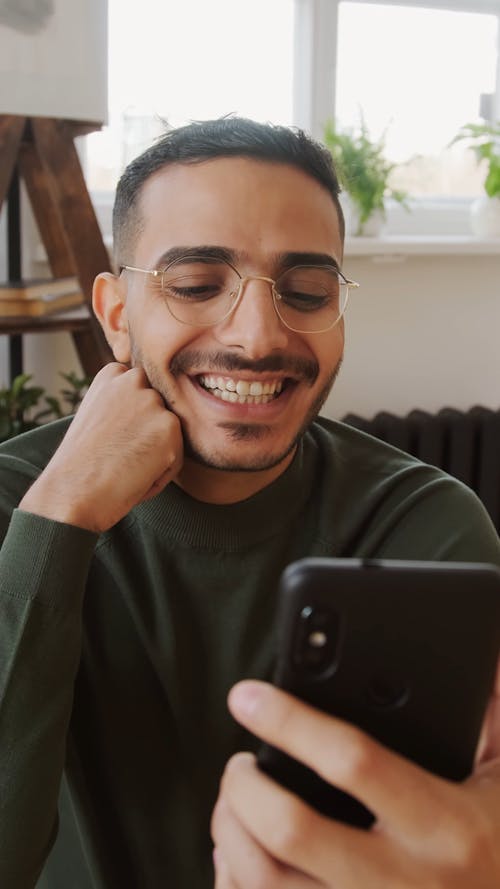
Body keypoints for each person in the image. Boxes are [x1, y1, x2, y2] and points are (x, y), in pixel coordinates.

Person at [0, 116, 498, 889]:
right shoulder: (14, 501)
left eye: (307, 290)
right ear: (116, 314)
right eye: (197, 284)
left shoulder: (424, 523)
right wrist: (60, 515)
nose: (258, 335)